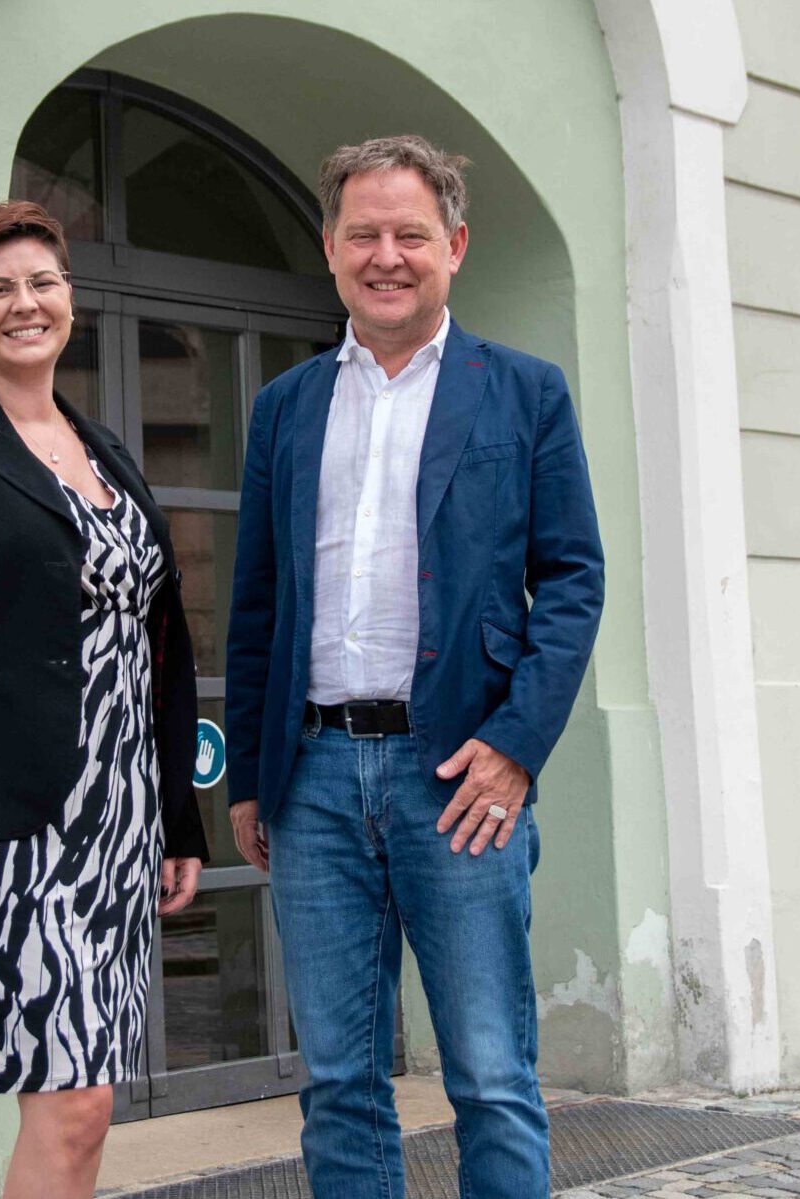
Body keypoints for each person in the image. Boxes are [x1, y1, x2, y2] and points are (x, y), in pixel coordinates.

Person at [224, 136, 604, 1198]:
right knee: (340, 1076)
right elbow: (256, 603)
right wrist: (254, 776)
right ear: (332, 246)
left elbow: (572, 580)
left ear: (457, 246)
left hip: (461, 781)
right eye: (363, 234)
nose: (386, 255)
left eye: (411, 234)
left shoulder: (524, 393)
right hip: (314, 778)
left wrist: (517, 746)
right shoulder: (286, 407)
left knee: (489, 1071)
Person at [0, 200, 208, 1199]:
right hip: (11, 827)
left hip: (120, 819)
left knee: (90, 1105)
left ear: (72, 301)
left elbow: (159, 644)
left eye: (44, 283)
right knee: (67, 1102)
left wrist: (175, 814)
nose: (26, 304)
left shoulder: (106, 453)